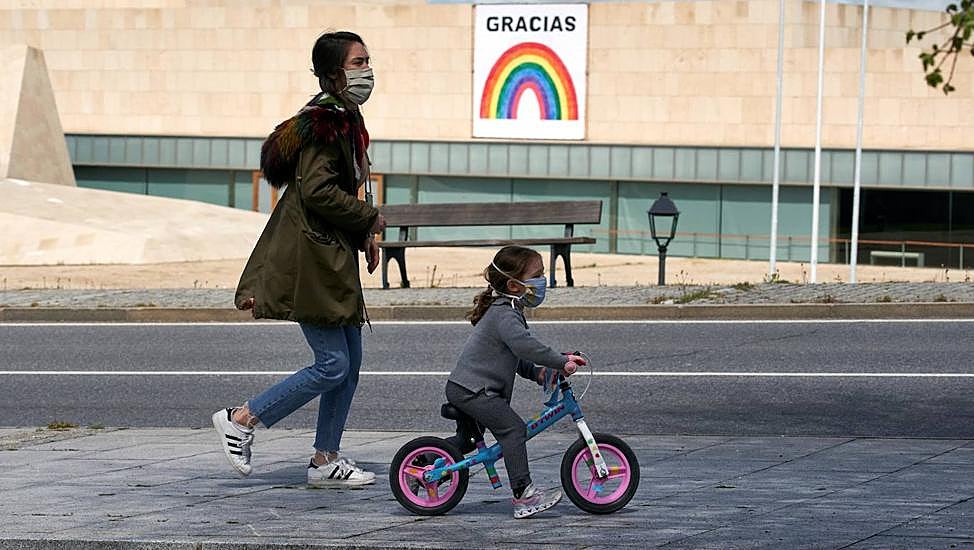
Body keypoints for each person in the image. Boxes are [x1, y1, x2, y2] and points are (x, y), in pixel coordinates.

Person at [211, 31, 386, 488]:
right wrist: (370, 217)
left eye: (368, 60)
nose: (367, 70)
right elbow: (318, 190)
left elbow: (340, 190)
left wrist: (363, 231)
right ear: (333, 73)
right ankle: (243, 418)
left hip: (330, 252)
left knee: (350, 362)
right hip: (313, 256)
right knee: (332, 364)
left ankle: (326, 460)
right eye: (358, 62)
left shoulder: (346, 118)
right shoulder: (325, 124)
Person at [445, 245, 587, 519]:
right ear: (513, 283)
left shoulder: (508, 310)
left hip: (468, 388)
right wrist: (560, 360)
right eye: (537, 275)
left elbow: (515, 357)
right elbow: (525, 347)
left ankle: (427, 465)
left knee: (466, 443)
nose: (542, 281)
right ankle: (524, 496)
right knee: (513, 430)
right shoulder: (505, 314)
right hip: (474, 392)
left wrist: (539, 373)